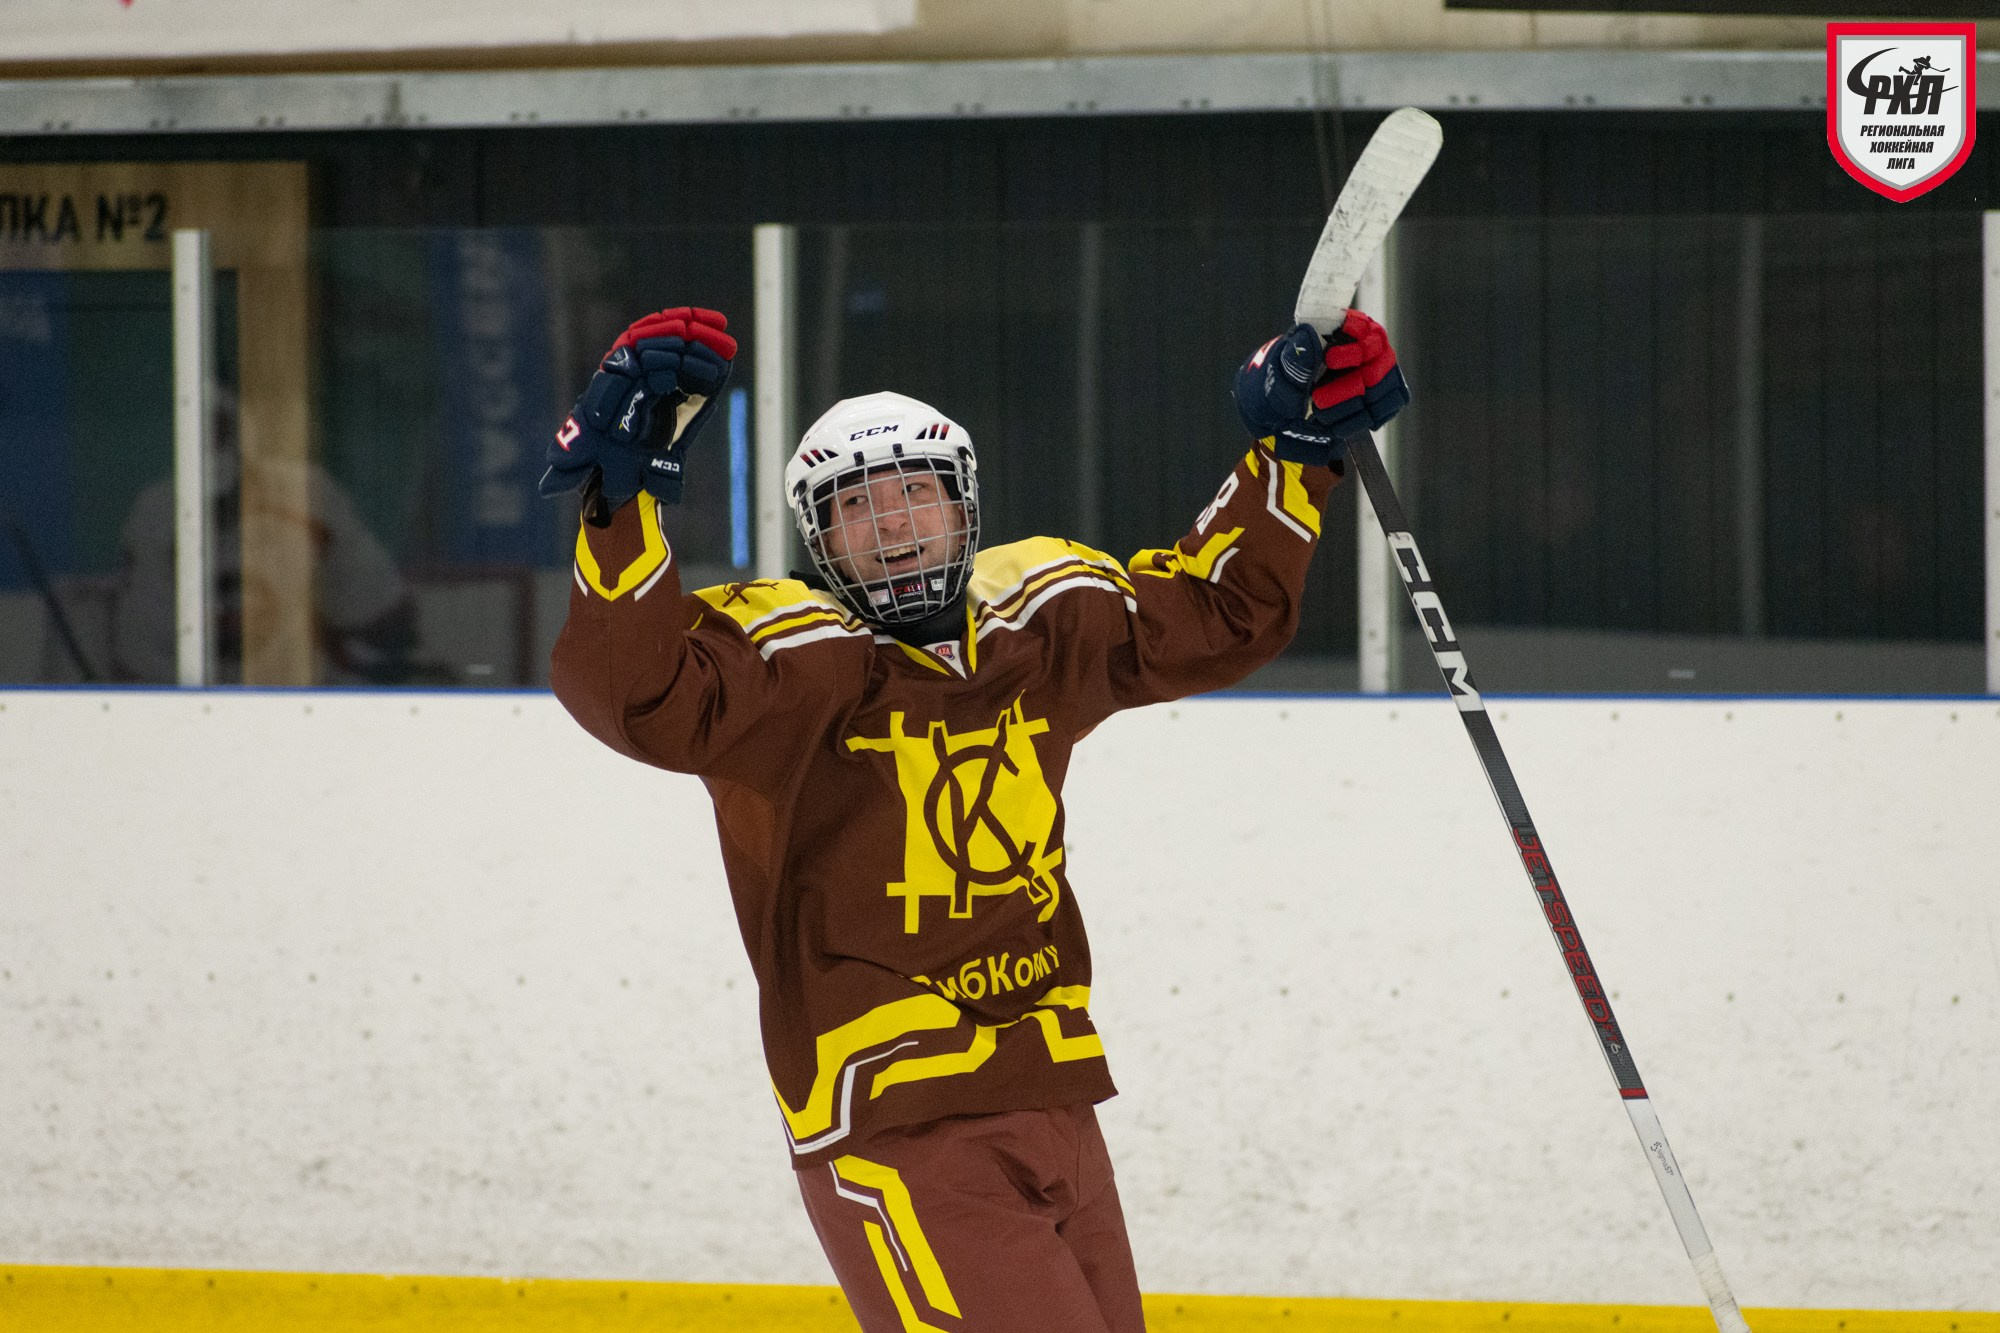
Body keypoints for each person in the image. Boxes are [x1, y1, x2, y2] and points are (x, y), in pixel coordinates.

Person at [539, 305, 1407, 1332]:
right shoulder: (783, 663)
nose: (897, 525)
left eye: (917, 496)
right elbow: (637, 695)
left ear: (965, 507)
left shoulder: (1038, 615)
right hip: (899, 1124)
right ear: (818, 540)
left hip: (1055, 1094)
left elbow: (1218, 612)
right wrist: (618, 499)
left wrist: (1288, 457)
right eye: (859, 510)